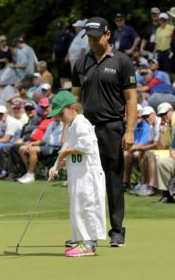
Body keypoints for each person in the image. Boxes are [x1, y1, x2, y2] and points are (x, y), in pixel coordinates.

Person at [72, 17, 137, 247]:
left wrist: (129, 131)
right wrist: (71, 130)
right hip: (87, 130)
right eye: (88, 36)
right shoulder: (80, 63)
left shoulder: (122, 62)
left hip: (112, 128)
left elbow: (131, 99)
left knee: (113, 180)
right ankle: (89, 232)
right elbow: (75, 99)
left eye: (95, 36)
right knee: (86, 181)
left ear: (108, 34)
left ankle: (117, 230)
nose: (91, 41)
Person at [49, 91, 106, 257]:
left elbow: (86, 147)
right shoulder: (72, 126)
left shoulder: (82, 123)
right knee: (77, 208)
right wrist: (56, 166)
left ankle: (88, 245)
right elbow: (65, 149)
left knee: (86, 207)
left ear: (72, 107)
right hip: (77, 172)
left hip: (87, 173)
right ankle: (82, 241)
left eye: (61, 113)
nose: (60, 117)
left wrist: (67, 152)